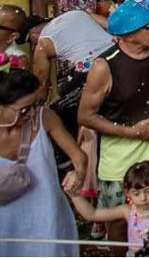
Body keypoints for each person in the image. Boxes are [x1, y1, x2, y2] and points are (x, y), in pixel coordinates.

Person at [78, 0, 149, 248]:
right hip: (119, 163)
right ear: (127, 34)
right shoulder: (104, 66)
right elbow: (85, 116)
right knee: (120, 230)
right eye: (146, 26)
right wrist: (131, 132)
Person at [0, 68, 85, 257]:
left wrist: (78, 173)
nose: (31, 113)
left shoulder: (44, 117)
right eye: (23, 109)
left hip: (46, 216)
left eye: (35, 105)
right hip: (5, 224)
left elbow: (78, 156)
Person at [68, 161, 149, 257]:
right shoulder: (127, 211)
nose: (143, 198)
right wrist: (75, 196)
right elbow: (92, 214)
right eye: (136, 194)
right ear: (127, 193)